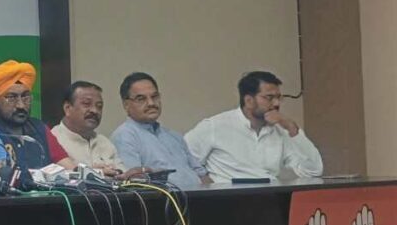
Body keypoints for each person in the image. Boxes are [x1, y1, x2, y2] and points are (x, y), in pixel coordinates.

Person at [186, 71, 323, 182]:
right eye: (269, 97)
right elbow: (182, 161)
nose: (276, 103)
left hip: (271, 197)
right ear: (249, 101)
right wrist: (206, 183)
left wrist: (292, 129)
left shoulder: (282, 130)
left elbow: (313, 172)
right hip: (226, 198)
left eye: (279, 97)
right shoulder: (214, 126)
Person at [0, 60, 75, 176]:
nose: (21, 105)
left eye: (25, 97)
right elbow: (5, 175)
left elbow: (69, 168)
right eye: (11, 97)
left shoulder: (39, 128)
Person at [111, 72, 212, 187]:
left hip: (199, 195)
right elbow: (134, 183)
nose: (151, 103)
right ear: (126, 105)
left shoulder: (173, 136)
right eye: (141, 99)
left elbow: (202, 175)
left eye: (154, 97)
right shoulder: (124, 136)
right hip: (166, 198)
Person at [52, 81, 125, 175]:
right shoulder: (53, 140)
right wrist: (98, 173)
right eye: (86, 104)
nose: (95, 111)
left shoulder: (104, 142)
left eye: (99, 106)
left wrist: (116, 172)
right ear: (67, 108)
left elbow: (123, 172)